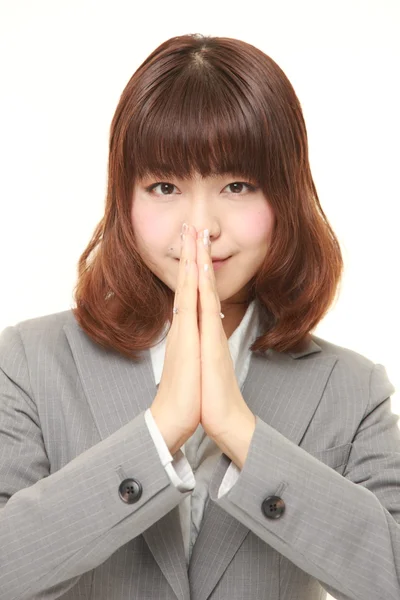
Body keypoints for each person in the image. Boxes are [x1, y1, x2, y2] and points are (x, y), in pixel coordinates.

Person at [0, 33, 398, 600]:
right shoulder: (29, 363)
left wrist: (240, 429)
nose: (202, 227)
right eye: (165, 186)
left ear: (285, 197)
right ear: (125, 201)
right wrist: (159, 431)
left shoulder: (353, 389)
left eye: (236, 185)